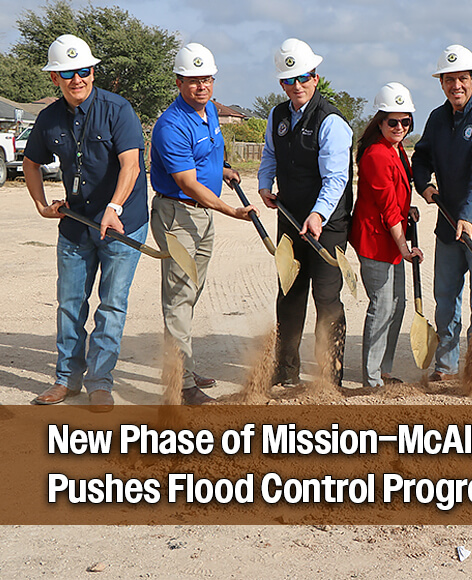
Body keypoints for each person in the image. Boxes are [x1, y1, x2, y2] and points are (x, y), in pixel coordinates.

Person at [24, 34, 148, 411]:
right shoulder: (48, 119)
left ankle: (100, 382)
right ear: (54, 79)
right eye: (67, 73)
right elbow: (31, 162)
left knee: (111, 305)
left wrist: (115, 207)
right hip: (76, 223)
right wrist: (41, 203)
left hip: (121, 225)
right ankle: (66, 379)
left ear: (93, 71)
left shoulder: (117, 109)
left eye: (83, 71)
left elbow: (131, 164)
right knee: (70, 303)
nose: (77, 79)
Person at [149, 43, 254, 404]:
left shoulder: (209, 112)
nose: (201, 87)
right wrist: (231, 211)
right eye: (193, 81)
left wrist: (222, 171)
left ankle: (183, 366)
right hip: (178, 214)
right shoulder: (171, 125)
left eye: (206, 79)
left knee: (191, 292)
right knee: (179, 296)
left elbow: (204, 157)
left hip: (202, 213)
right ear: (179, 82)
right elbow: (186, 181)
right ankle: (181, 385)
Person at [257, 38, 354, 388]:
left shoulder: (331, 121)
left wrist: (318, 214)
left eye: (303, 77)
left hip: (327, 225)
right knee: (289, 293)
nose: (296, 85)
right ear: (281, 83)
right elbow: (270, 154)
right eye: (288, 80)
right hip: (289, 218)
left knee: (327, 297)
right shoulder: (277, 114)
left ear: (316, 77)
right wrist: (265, 183)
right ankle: (285, 371)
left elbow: (337, 178)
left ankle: (330, 377)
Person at [412, 44, 472, 382]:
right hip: (448, 225)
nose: (456, 86)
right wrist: (423, 183)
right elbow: (420, 156)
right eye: (449, 79)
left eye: (462, 78)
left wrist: (468, 215)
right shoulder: (437, 118)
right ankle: (447, 365)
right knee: (445, 300)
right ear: (441, 83)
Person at [349, 82, 423, 388]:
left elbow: (397, 198)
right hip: (375, 239)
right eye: (393, 121)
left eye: (405, 121)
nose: (400, 127)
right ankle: (371, 377)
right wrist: (404, 248)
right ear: (380, 122)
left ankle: (385, 369)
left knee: (399, 304)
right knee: (382, 305)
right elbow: (386, 208)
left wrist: (410, 209)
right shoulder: (377, 154)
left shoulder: (397, 148)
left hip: (390, 236)